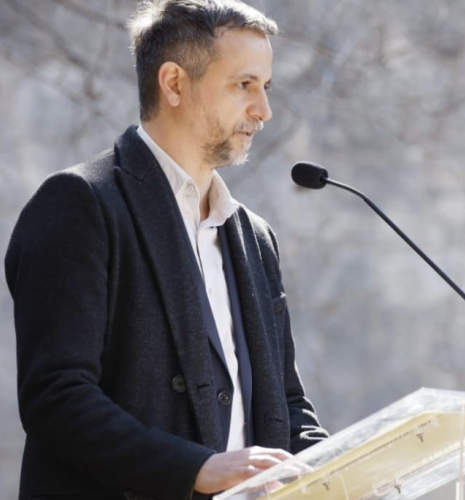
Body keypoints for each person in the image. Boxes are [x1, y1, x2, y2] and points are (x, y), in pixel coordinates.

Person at [4, 1, 328, 499]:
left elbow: (285, 404)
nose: (263, 110)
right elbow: (57, 397)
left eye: (266, 87)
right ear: (174, 83)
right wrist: (194, 468)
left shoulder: (255, 238)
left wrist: (343, 468)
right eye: (244, 85)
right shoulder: (79, 204)